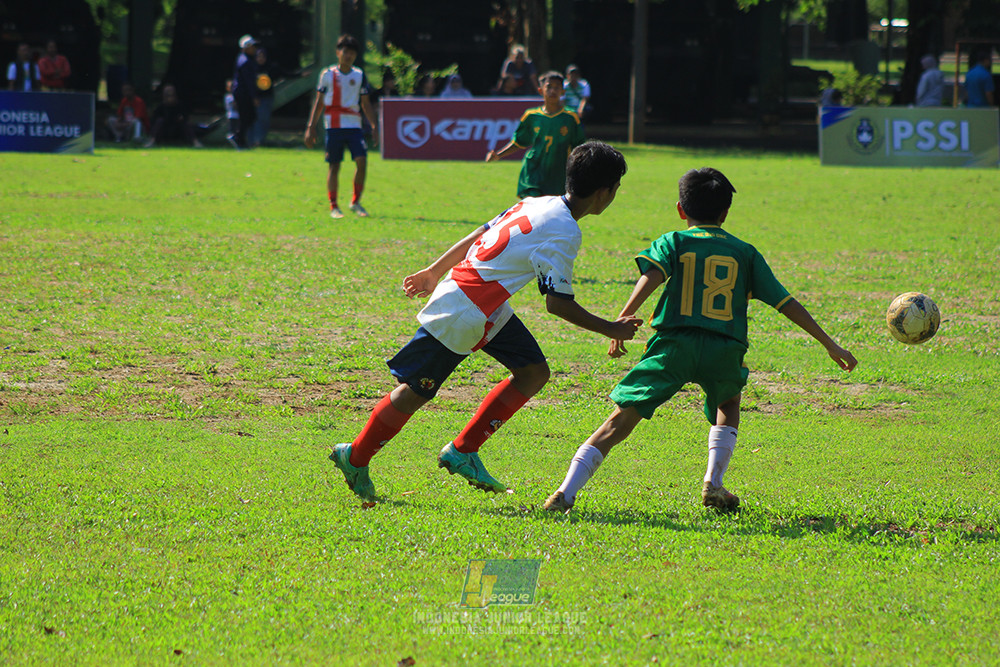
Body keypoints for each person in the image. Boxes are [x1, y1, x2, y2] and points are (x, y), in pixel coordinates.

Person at [328, 141, 642, 502]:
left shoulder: (538, 201)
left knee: (534, 371)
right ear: (605, 192)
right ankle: (355, 456)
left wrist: (435, 270)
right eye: (616, 188)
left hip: (483, 304)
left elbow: (481, 232)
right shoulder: (566, 230)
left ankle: (463, 451)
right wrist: (611, 328)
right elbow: (557, 304)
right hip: (464, 310)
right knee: (414, 391)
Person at [544, 167, 858, 513]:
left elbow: (652, 277)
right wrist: (830, 344)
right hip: (724, 348)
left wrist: (624, 316)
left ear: (681, 209)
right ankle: (714, 483)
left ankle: (566, 491)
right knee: (727, 406)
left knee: (621, 418)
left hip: (673, 346)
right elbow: (786, 303)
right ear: (725, 212)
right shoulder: (745, 253)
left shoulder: (674, 242)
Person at [304, 34, 379, 219]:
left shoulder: (359, 75)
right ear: (338, 53)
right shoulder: (327, 74)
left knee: (362, 161)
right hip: (334, 126)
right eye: (345, 52)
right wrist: (311, 126)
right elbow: (319, 102)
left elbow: (365, 103)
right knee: (334, 165)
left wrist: (374, 125)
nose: (348, 56)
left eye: (352, 53)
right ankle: (334, 205)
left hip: (354, 126)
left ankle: (355, 202)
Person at [486, 71, 585, 199]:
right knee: (533, 206)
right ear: (540, 90)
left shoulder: (571, 117)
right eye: (549, 87)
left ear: (563, 92)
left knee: (552, 213)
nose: (553, 91)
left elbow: (579, 147)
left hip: (558, 174)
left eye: (557, 87)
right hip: (533, 170)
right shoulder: (531, 116)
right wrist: (499, 155)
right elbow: (519, 142)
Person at [232, 34, 259, 148]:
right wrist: (254, 97)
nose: (255, 48)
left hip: (242, 92)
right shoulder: (246, 62)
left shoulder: (242, 58)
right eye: (253, 46)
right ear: (247, 47)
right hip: (244, 93)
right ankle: (238, 138)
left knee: (248, 117)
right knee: (247, 117)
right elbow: (249, 82)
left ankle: (240, 139)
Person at [224, 79, 239, 149]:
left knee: (237, 130)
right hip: (232, 116)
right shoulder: (228, 97)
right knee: (232, 131)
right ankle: (232, 139)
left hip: (237, 116)